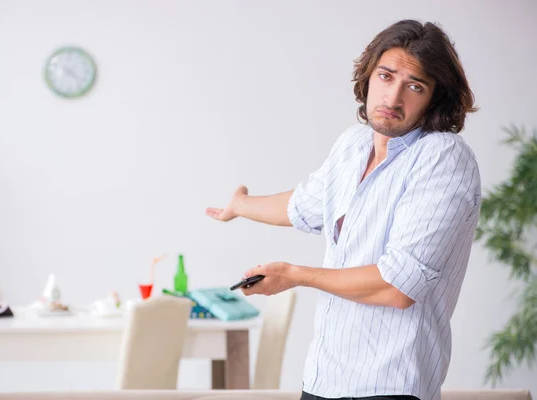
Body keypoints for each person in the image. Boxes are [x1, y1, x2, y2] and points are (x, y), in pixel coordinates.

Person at [205, 19, 481, 400]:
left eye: (414, 86)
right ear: (368, 77)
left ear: (435, 98)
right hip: (323, 379)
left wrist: (295, 274)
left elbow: (398, 285)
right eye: (386, 77)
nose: (393, 97)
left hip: (390, 383)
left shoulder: (443, 158)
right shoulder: (353, 145)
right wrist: (241, 206)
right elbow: (304, 204)